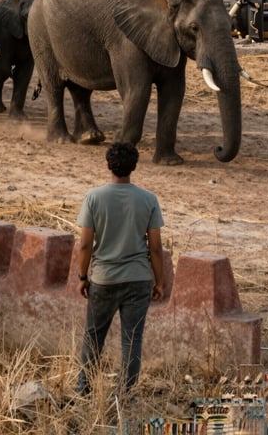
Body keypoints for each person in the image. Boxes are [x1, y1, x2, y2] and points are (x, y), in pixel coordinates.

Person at [76, 142, 165, 396]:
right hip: (138, 279)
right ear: (134, 166)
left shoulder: (94, 197)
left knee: (94, 337)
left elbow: (85, 245)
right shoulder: (149, 199)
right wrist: (159, 282)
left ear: (108, 165)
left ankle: (84, 389)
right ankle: (125, 394)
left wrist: (82, 276)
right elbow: (155, 248)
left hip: (103, 279)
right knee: (132, 339)